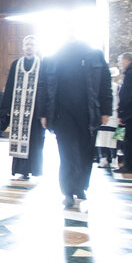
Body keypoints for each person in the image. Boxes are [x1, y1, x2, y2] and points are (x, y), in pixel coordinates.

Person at [39, 38, 112, 209]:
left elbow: (105, 84)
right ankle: (67, 191)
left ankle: (80, 187)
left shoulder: (95, 55)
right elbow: (43, 86)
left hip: (88, 112)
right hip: (62, 113)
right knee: (67, 152)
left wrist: (106, 110)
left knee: (86, 152)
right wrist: (43, 113)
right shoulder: (52, 58)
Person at [0, 35, 45, 180]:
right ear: (23, 47)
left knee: (35, 140)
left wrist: (44, 111)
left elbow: (45, 89)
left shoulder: (42, 64)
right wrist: (6, 109)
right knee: (19, 139)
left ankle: (34, 169)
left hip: (35, 111)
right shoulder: (16, 64)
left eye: (32, 44)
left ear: (36, 47)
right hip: (18, 110)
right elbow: (10, 87)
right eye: (27, 44)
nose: (29, 47)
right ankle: (21, 169)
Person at [94, 67, 120, 168]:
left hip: (114, 116)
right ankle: (107, 158)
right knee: (104, 139)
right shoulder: (103, 87)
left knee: (112, 139)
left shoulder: (117, 87)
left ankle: (110, 158)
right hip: (108, 115)